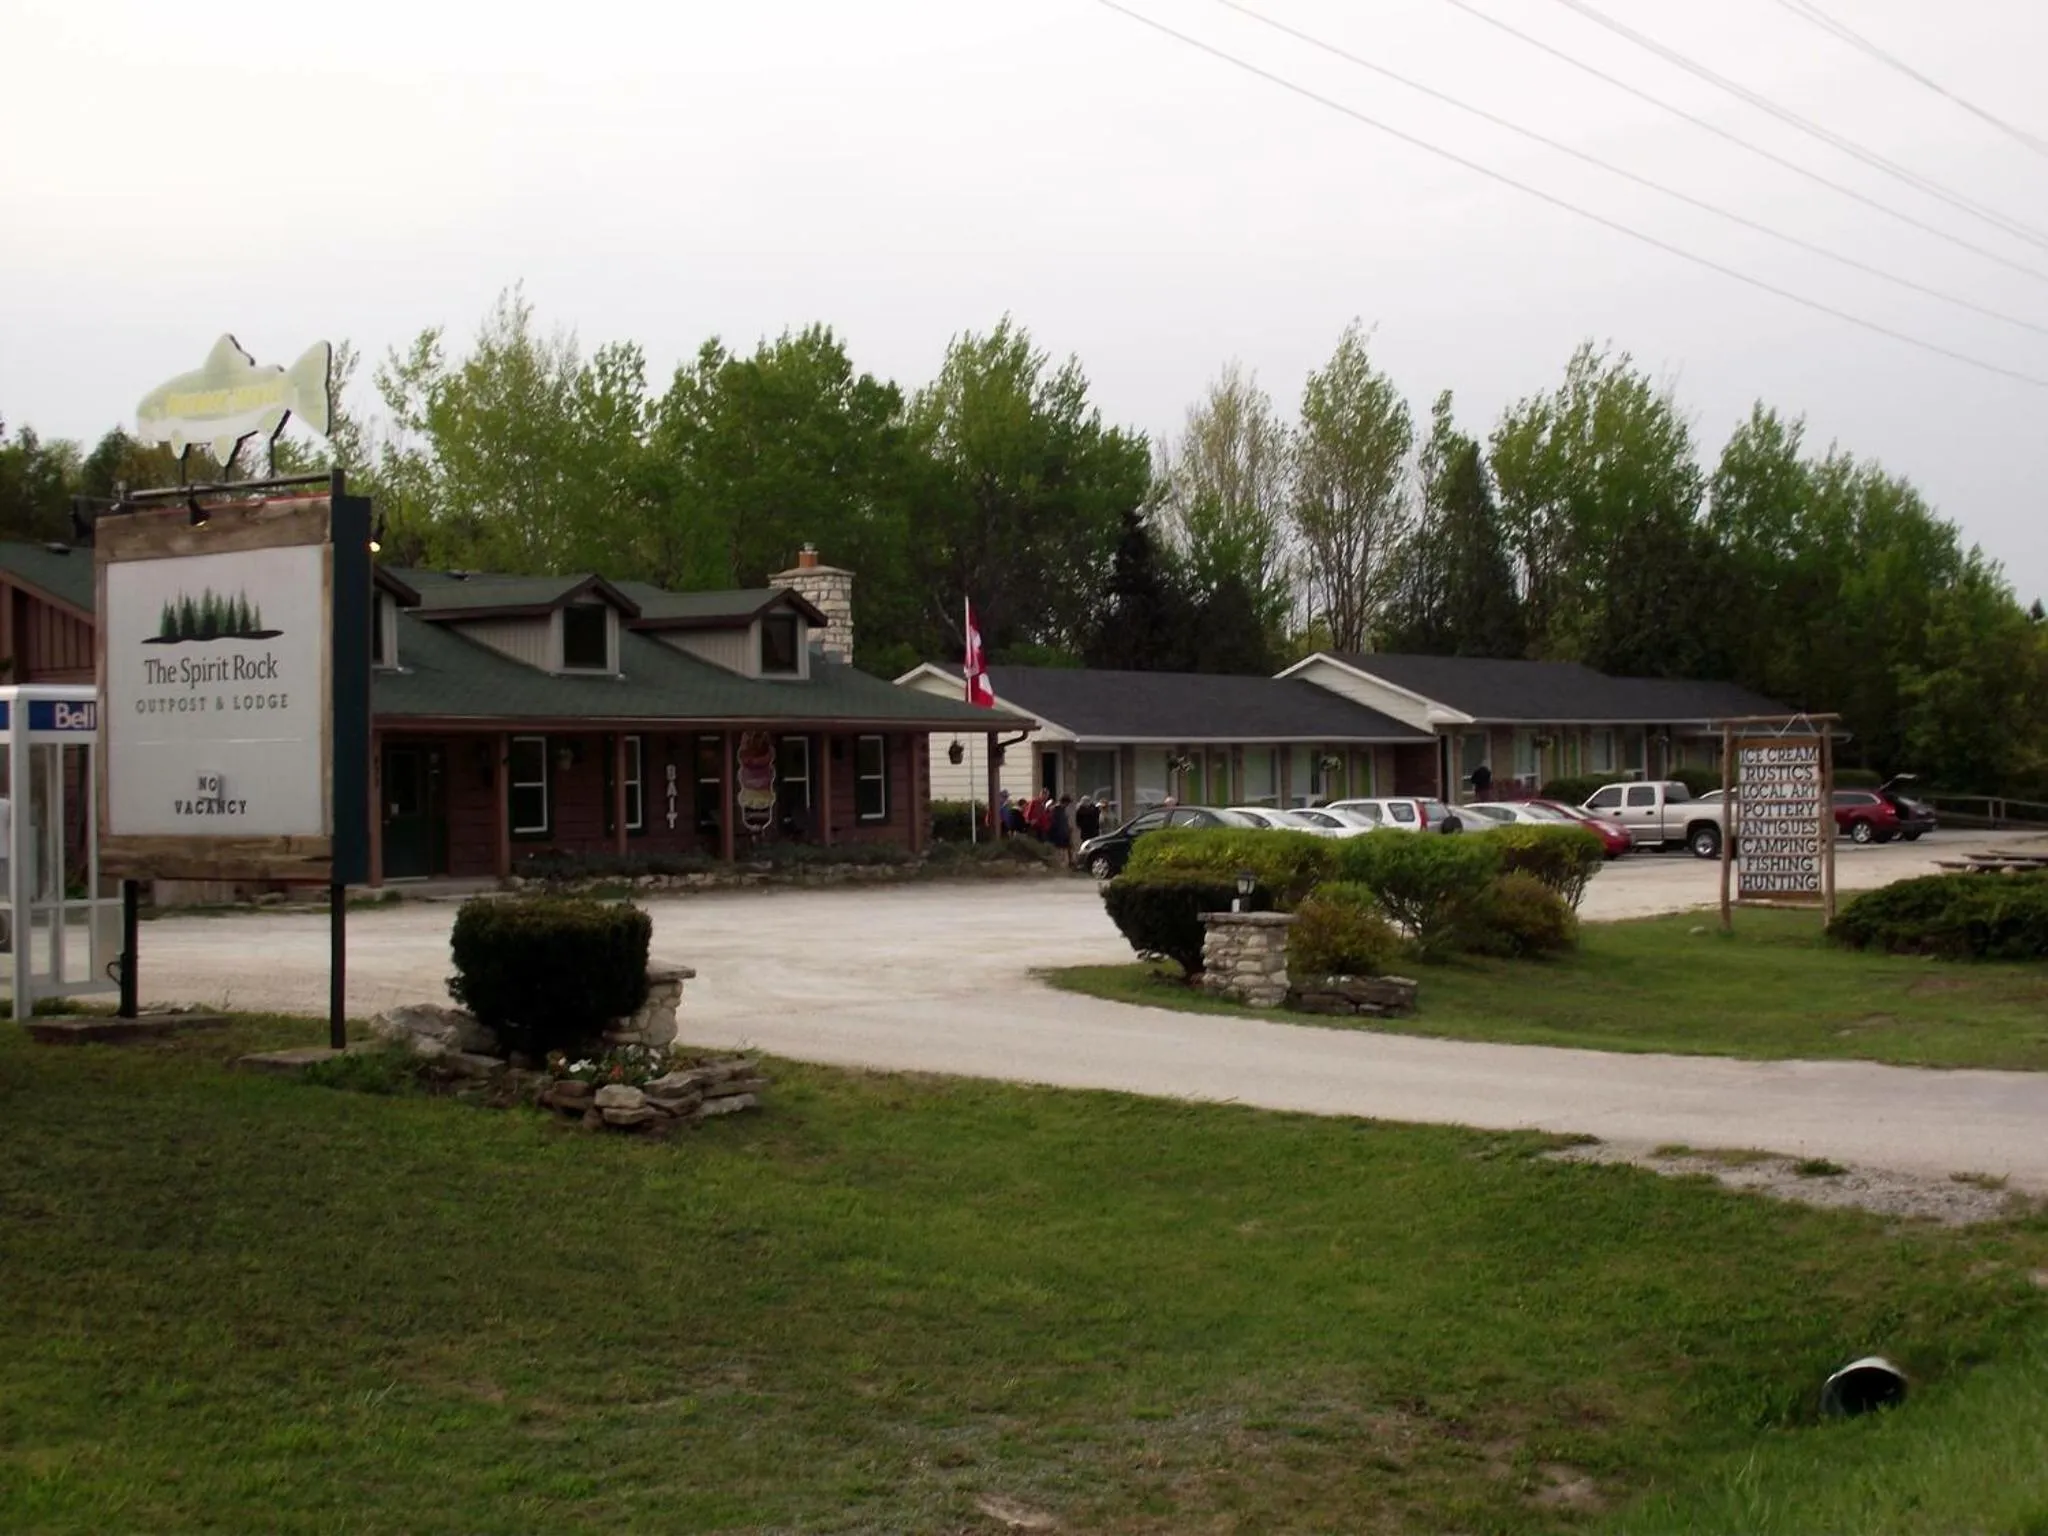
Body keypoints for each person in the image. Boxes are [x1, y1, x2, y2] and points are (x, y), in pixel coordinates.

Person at [1049, 794, 1073, 866]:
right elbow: (1054, 823)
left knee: (1068, 849)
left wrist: (1068, 829)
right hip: (1058, 835)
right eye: (1067, 803)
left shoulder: (1063, 810)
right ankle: (1059, 865)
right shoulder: (1055, 809)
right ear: (1065, 802)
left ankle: (1068, 864)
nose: (1068, 805)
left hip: (1064, 834)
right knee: (1060, 851)